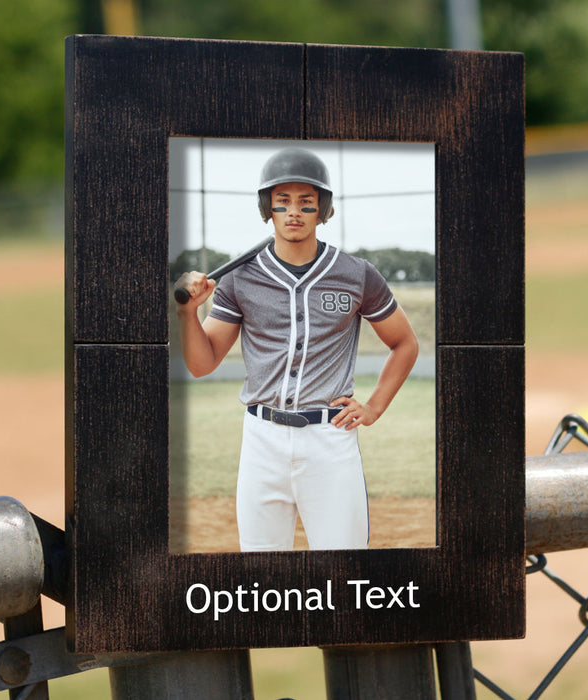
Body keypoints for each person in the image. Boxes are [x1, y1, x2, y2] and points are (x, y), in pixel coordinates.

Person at [174, 147, 419, 552]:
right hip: (261, 439)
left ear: (322, 210)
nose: (293, 212)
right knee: (261, 577)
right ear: (267, 208)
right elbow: (202, 364)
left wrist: (374, 407)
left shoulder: (357, 274)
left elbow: (404, 342)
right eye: (282, 202)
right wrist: (188, 315)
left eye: (306, 203)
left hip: (329, 437)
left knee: (345, 572)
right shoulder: (240, 278)